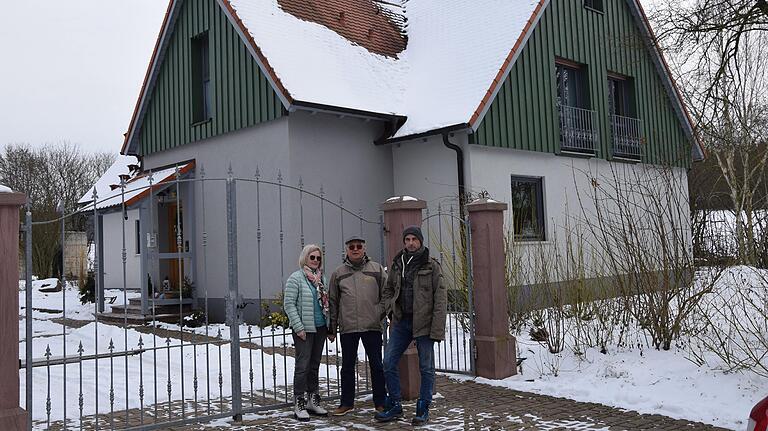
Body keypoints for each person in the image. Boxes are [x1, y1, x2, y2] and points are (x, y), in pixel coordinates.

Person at [376, 225, 447, 426]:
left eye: (414, 239)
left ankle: (423, 408)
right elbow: (388, 289)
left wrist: (437, 329)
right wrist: (390, 310)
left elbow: (440, 299)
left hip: (424, 323)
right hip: (401, 322)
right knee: (388, 362)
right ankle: (395, 405)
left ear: (420, 241)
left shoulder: (431, 265)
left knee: (426, 368)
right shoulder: (398, 263)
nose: (410, 243)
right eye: (407, 239)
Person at [328, 235, 388, 415]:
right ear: (346, 250)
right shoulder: (338, 273)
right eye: (351, 247)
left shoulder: (376, 269)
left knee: (377, 365)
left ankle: (380, 402)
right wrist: (332, 328)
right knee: (347, 367)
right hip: (348, 327)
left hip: (372, 326)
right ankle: (346, 403)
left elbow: (388, 294)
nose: (355, 249)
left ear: (364, 249)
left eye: (359, 246)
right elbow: (333, 302)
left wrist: (379, 313)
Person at [283, 244, 330, 421]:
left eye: (318, 258)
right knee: (302, 365)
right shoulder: (296, 278)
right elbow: (289, 304)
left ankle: (313, 399)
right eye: (312, 257)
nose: (316, 261)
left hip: (320, 328)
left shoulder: (321, 279)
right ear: (305, 258)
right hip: (304, 329)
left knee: (315, 365)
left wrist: (329, 327)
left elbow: (326, 304)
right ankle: (299, 402)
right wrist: (298, 327)